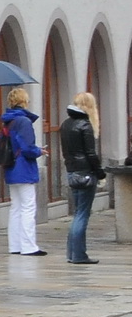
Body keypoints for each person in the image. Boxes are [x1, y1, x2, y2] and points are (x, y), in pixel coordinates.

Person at [60, 91, 105, 264]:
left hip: (72, 172)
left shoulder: (66, 124)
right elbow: (90, 153)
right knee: (82, 215)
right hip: (86, 173)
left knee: (78, 213)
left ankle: (72, 253)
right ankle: (79, 255)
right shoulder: (85, 125)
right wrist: (99, 172)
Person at [0, 87, 46, 255]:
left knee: (16, 207)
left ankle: (15, 245)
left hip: (11, 167)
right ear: (24, 101)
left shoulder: (7, 121)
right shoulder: (24, 121)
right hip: (24, 168)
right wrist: (39, 151)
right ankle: (28, 246)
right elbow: (27, 148)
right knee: (28, 207)